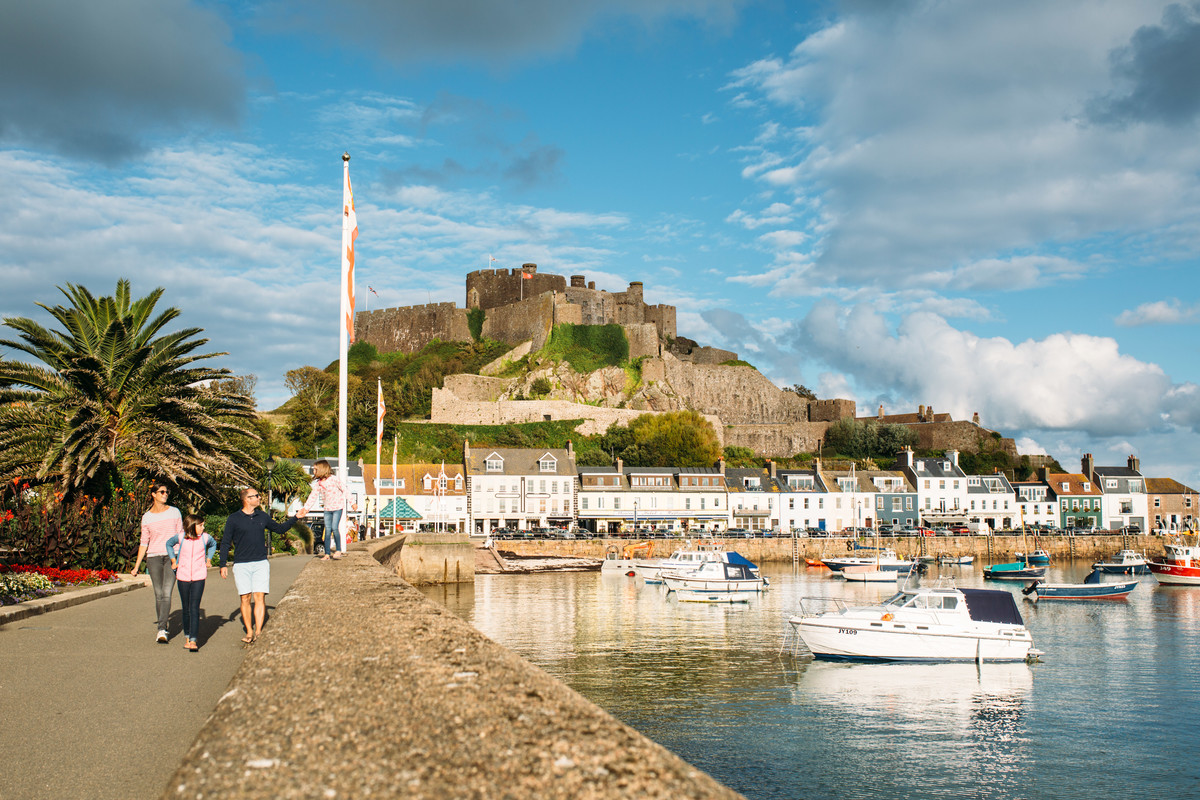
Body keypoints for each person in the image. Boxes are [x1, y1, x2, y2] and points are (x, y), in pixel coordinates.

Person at [219, 487, 298, 644]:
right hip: (241, 564)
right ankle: (249, 631)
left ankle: (259, 631)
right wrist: (222, 564)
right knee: (245, 598)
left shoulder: (262, 516)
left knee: (259, 597)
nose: (259, 498)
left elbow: (280, 528)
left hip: (260, 563)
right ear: (247, 499)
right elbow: (225, 542)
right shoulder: (234, 518)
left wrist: (296, 517)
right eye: (256, 496)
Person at [131, 483, 183, 643]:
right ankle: (163, 625)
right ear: (154, 494)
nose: (165, 494)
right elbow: (144, 542)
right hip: (153, 557)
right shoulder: (147, 517)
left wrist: (181, 558)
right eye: (162, 491)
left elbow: (181, 536)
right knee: (158, 594)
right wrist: (137, 565)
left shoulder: (175, 512)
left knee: (166, 592)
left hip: (171, 556)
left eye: (167, 491)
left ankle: (161, 629)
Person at [166, 514, 217, 652]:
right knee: (186, 608)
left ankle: (193, 640)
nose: (203, 527)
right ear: (192, 525)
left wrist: (209, 559)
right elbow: (168, 544)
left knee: (194, 607)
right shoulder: (181, 537)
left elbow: (213, 545)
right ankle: (187, 636)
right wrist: (173, 560)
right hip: (182, 576)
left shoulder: (206, 538)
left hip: (199, 577)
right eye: (201, 525)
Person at [298, 459, 356, 561]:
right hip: (327, 509)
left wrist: (352, 502)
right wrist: (306, 509)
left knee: (334, 528)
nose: (314, 472)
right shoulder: (319, 484)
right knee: (327, 531)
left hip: (337, 507)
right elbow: (313, 496)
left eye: (315, 469)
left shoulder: (334, 479)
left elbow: (345, 489)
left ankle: (338, 549)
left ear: (322, 469)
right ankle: (327, 554)